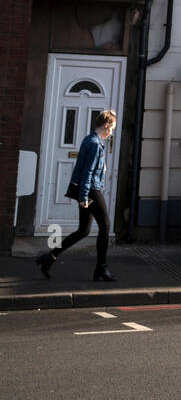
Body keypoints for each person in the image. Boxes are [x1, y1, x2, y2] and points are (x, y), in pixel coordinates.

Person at [36, 110, 117, 282]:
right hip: (91, 189)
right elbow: (87, 172)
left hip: (86, 189)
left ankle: (49, 258)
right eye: (112, 128)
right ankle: (101, 268)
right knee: (105, 225)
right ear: (106, 125)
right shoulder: (95, 144)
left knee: (83, 230)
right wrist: (84, 196)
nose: (111, 132)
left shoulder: (89, 139)